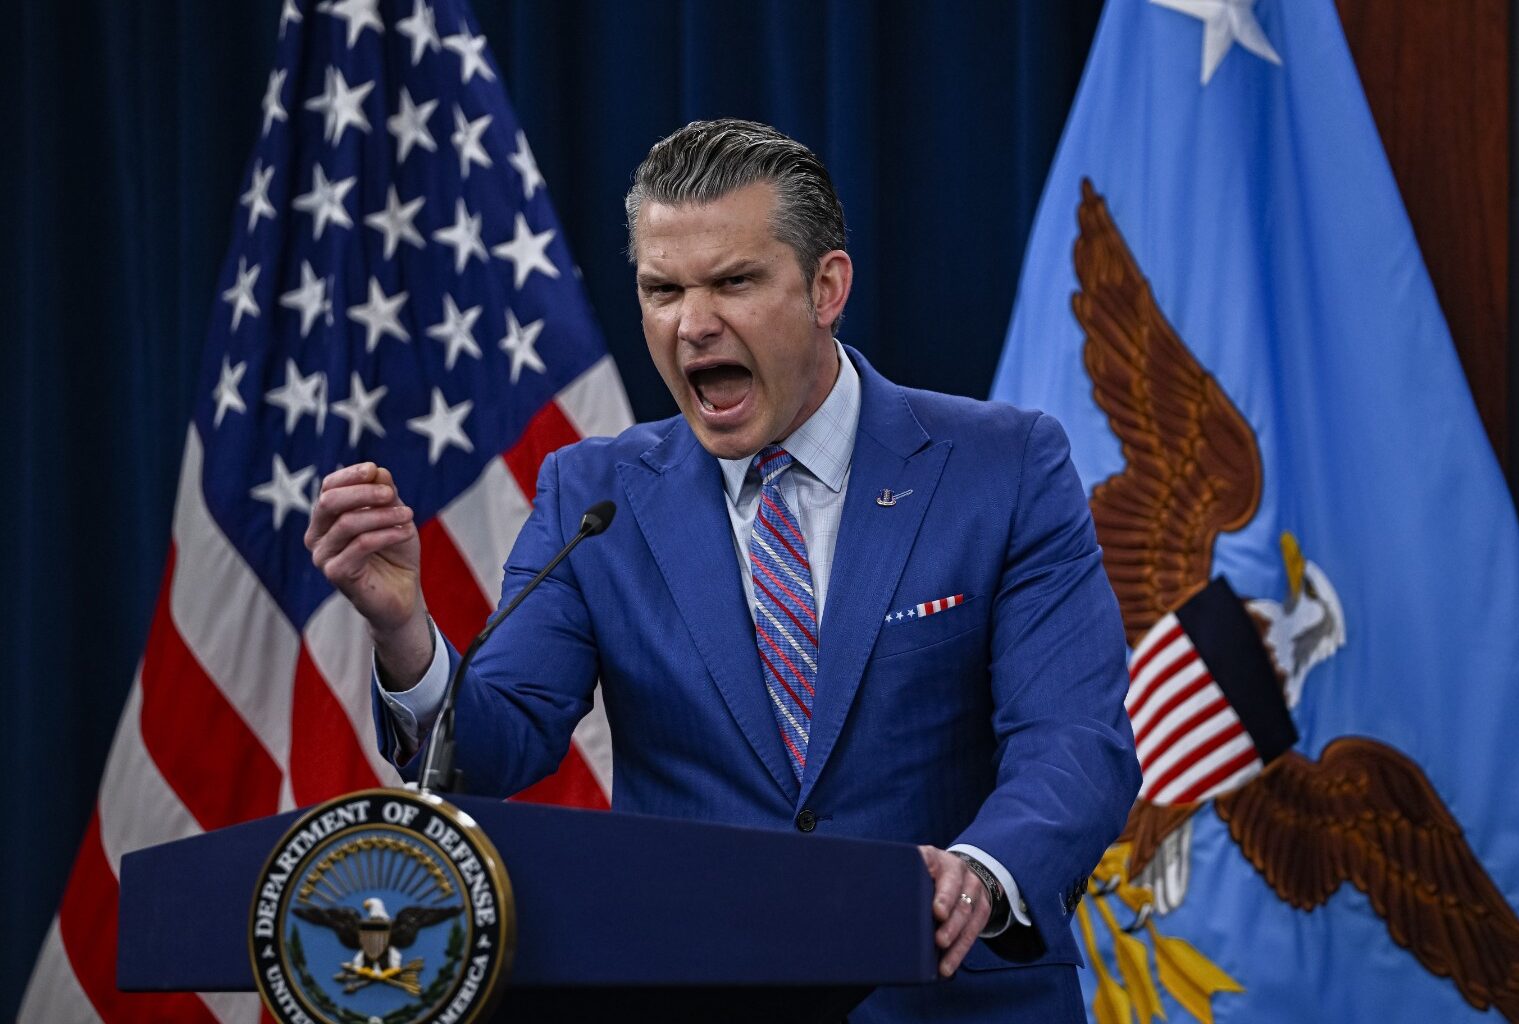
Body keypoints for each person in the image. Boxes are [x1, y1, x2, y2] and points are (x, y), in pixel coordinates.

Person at [305, 119, 1139, 1021]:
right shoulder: (593, 495)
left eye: (734, 282)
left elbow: (1074, 741)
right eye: (662, 290)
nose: (693, 325)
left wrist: (979, 873)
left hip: (952, 997)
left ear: (826, 287)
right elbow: (492, 753)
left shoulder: (1002, 468)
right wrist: (402, 629)